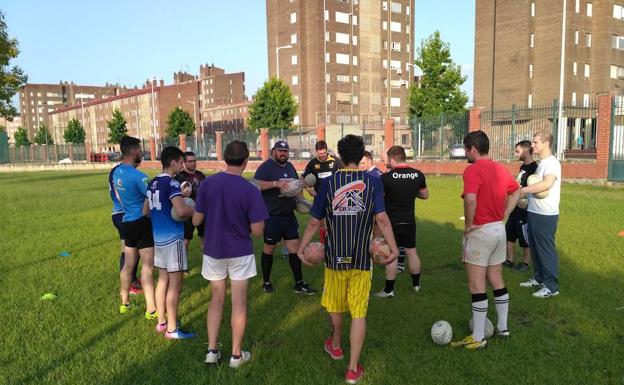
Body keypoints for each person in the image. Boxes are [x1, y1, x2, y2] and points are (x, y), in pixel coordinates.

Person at [297, 134, 399, 384]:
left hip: (334, 258)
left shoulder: (328, 183)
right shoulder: (373, 182)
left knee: (336, 305)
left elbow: (314, 220)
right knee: (359, 313)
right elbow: (382, 219)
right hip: (362, 259)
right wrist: (394, 248)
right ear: (361, 155)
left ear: (340, 156)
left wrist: (301, 248)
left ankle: (336, 345)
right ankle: (352, 369)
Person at [195, 140, 269, 368]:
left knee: (216, 299)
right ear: (246, 161)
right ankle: (236, 356)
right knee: (239, 303)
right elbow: (258, 231)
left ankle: (211, 351)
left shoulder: (208, 184)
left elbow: (197, 219)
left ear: (225, 159)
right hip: (239, 252)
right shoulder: (250, 190)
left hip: (213, 250)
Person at [451, 130, 520, 350]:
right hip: (499, 230)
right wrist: (505, 214)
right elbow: (517, 191)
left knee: (476, 284)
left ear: (473, 149)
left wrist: (468, 226)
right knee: (496, 279)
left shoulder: (472, 170)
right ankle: (503, 327)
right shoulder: (500, 168)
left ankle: (478, 336)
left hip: (480, 232)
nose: (465, 153)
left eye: (465, 149)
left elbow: (470, 200)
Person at [253, 140, 316, 294]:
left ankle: (299, 283)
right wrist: (276, 184)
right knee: (269, 248)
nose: (283, 154)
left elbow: (296, 186)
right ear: (273, 151)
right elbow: (255, 184)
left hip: (288, 216)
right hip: (272, 216)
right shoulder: (266, 167)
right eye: (280, 151)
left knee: (294, 249)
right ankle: (266, 282)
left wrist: (300, 200)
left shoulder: (289, 166)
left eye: (286, 151)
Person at [149, 146, 196, 339]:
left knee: (162, 280)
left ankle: (161, 322)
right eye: (181, 161)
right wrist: (198, 209)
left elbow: (145, 210)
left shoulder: (152, 182)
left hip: (158, 240)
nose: (182, 165)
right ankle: (172, 329)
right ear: (175, 161)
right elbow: (183, 211)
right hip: (173, 239)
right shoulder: (173, 183)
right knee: (175, 285)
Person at [374, 146, 428, 298]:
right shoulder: (418, 175)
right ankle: (416, 284)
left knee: (392, 253)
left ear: (391, 159)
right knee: (412, 252)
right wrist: (411, 192)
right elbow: (424, 195)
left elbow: (380, 198)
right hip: (409, 220)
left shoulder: (385, 178)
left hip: (392, 223)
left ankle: (389, 290)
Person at [112, 136, 157, 319]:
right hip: (141, 222)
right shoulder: (139, 176)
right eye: (139, 149)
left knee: (128, 265)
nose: (141, 153)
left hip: (127, 221)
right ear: (133, 152)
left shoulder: (117, 173)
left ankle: (124, 303)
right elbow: (150, 201)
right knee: (147, 265)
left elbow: (119, 197)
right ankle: (151, 309)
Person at [519, 131, 562, 298]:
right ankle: (538, 278)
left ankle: (551, 287)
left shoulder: (552, 163)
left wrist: (524, 191)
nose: (532, 145)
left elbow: (547, 184)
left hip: (545, 214)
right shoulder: (542, 163)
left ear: (546, 143)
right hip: (534, 211)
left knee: (545, 249)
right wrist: (528, 200)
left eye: (536, 142)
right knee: (535, 248)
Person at [504, 140, 537, 272]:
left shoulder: (535, 168)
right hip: (514, 206)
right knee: (509, 233)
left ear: (526, 150)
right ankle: (509, 260)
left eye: (518, 151)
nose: (515, 153)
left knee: (524, 237)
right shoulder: (522, 166)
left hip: (524, 208)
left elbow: (534, 189)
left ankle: (525, 262)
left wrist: (524, 198)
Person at [109, 162, 142, 295]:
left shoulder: (117, 170)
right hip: (124, 214)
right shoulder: (120, 171)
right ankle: (130, 286)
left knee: (135, 250)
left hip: (121, 214)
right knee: (129, 251)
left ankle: (131, 281)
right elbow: (118, 194)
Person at [303, 140, 343, 244]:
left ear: (327, 150)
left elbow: (345, 174)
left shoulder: (335, 161)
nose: (322, 155)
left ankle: (336, 241)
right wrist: (309, 189)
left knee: (336, 220)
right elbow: (302, 178)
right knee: (319, 221)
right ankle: (323, 243)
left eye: (324, 153)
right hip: (319, 196)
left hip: (335, 197)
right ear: (316, 152)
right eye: (320, 153)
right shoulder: (313, 163)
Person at [175, 151, 206, 250]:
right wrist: (182, 194)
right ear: (184, 162)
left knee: (204, 236)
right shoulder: (179, 177)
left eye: (194, 161)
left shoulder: (200, 175)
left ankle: (206, 261)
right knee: (186, 239)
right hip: (187, 211)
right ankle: (182, 264)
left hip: (201, 210)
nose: (193, 163)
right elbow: (174, 196)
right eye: (190, 161)